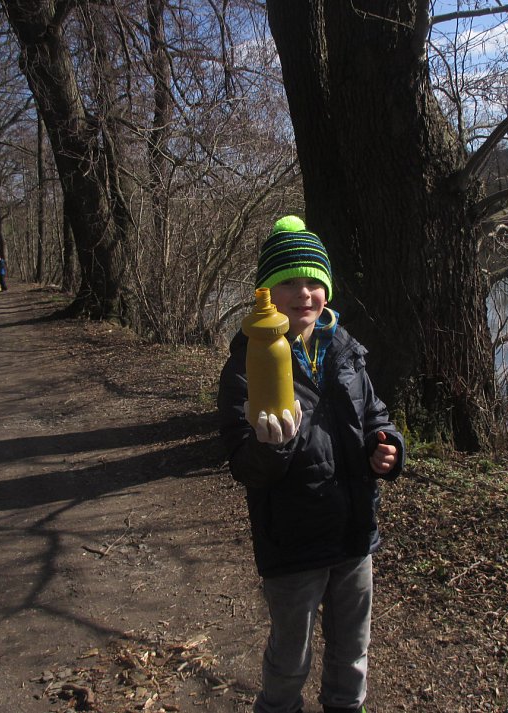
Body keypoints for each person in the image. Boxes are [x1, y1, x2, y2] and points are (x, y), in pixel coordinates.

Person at [217, 216, 405, 713]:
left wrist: (387, 445)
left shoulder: (345, 349)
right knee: (290, 657)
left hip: (353, 533)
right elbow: (245, 464)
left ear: (326, 289)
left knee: (353, 649)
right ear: (267, 295)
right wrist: (272, 445)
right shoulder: (246, 365)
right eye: (288, 282)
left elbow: (375, 414)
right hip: (293, 541)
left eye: (313, 281)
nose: (303, 292)